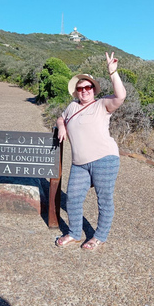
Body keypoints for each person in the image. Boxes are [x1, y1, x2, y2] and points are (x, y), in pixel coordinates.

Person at [55, 52, 126, 251]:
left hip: (104, 158)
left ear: (93, 89)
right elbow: (61, 118)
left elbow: (120, 96)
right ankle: (75, 233)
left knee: (104, 200)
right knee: (73, 198)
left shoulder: (102, 104)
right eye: (80, 88)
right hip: (79, 163)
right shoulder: (71, 107)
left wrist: (113, 73)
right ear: (76, 91)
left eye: (88, 87)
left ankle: (99, 237)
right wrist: (61, 126)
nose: (84, 90)